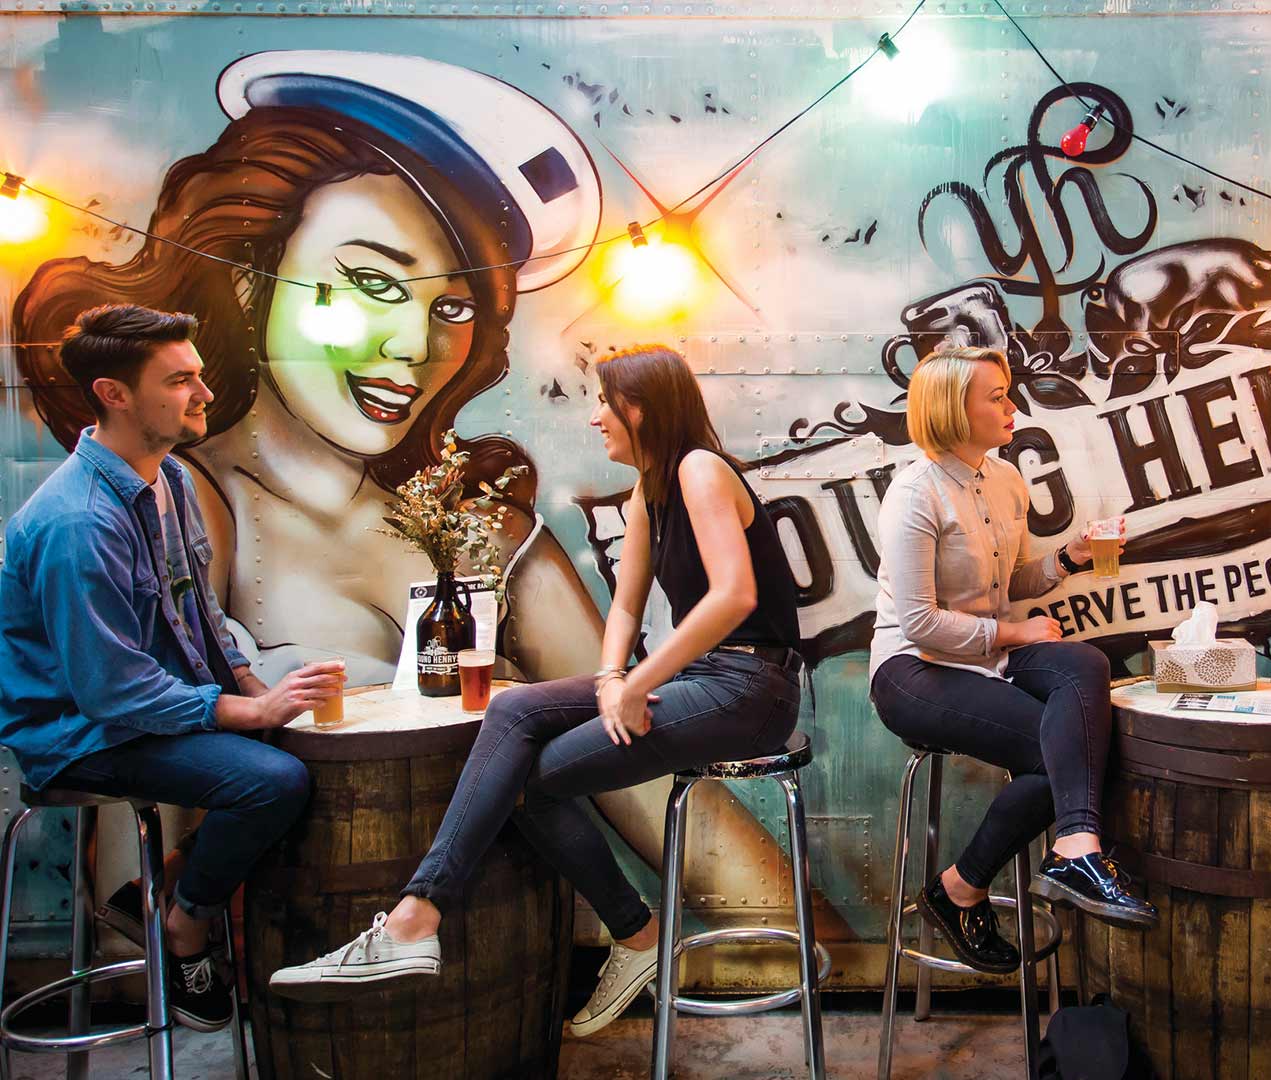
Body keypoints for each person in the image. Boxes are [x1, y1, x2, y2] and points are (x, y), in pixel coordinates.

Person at [12, 50, 820, 944]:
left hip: (707, 707)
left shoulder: (486, 529)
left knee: (521, 740)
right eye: (370, 283)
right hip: (263, 884)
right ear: (252, 280)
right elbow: (129, 839)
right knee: (504, 730)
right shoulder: (177, 501)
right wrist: (253, 703)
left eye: (447, 309)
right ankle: (442, 924)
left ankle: (510, 925)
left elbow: (677, 806)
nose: (410, 349)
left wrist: (803, 942)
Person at [269, 345, 804, 1037]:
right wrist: (614, 677)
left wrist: (639, 683)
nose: (594, 419)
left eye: (605, 403)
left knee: (523, 777)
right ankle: (444, 918)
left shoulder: (700, 470)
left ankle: (437, 920)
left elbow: (734, 596)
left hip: (752, 687)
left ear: (640, 406)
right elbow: (625, 608)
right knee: (514, 709)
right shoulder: (652, 486)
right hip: (707, 679)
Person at [0, 304, 341, 1031]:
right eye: (181, 380)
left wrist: (255, 687)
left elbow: (199, 617)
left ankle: (155, 890)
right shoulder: (78, 521)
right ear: (114, 394)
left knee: (308, 733)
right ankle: (185, 928)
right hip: (81, 736)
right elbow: (109, 689)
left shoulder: (168, 480)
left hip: (139, 713)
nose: (205, 394)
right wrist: (247, 714)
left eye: (198, 376)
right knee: (272, 780)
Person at [867, 343, 1156, 976]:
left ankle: (1070, 847)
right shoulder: (914, 494)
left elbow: (1011, 584)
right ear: (951, 410)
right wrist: (1016, 636)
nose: (1012, 405)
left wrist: (1072, 557)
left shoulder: (1005, 479)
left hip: (987, 655)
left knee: (1084, 666)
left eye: (1008, 392)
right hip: (913, 668)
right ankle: (965, 885)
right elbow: (919, 620)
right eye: (995, 397)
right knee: (1068, 748)